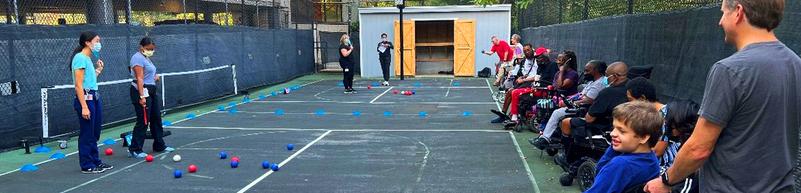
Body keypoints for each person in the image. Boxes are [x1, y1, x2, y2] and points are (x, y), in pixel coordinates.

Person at [644, 0, 801, 192]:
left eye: (723, 13)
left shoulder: (729, 69)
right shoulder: (795, 63)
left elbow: (699, 149)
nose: (720, 22)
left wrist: (666, 181)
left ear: (738, 12)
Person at [557, 62, 629, 163]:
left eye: (607, 76)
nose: (605, 78)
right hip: (624, 126)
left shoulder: (607, 92)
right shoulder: (632, 88)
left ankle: (567, 157)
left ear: (615, 76)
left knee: (566, 122)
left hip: (603, 126)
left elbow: (589, 118)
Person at [585, 101, 662, 193]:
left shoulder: (620, 164)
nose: (612, 133)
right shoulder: (652, 160)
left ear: (643, 137)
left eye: (622, 131)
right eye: (614, 128)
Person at [530, 60, 607, 149]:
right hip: (578, 105)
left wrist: (570, 103)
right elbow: (580, 94)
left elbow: (588, 100)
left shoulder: (599, 84)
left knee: (557, 112)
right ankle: (547, 136)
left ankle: (545, 139)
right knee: (550, 106)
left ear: (596, 71)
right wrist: (568, 99)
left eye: (587, 71)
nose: (585, 73)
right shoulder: (592, 82)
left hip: (585, 109)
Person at [70, 31, 112, 174]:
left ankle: (95, 161)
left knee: (95, 133)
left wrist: (98, 70)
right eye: (96, 40)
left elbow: (90, 81)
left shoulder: (87, 58)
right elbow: (79, 85)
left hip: (94, 97)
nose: (99, 43)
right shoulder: (80, 58)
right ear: (88, 42)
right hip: (86, 100)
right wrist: (84, 107)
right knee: (87, 133)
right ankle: (87, 164)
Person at [127, 37, 174, 158]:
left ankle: (159, 145)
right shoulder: (137, 58)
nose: (151, 51)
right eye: (148, 49)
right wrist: (142, 96)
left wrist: (155, 76)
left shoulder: (146, 58)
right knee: (143, 120)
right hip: (141, 91)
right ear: (141, 47)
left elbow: (148, 73)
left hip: (151, 90)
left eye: (152, 49)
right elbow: (139, 78)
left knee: (156, 118)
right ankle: (135, 149)